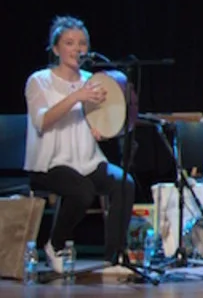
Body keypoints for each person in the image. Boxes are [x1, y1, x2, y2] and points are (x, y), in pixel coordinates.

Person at [24, 16, 136, 272]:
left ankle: (114, 258)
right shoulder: (39, 80)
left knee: (124, 183)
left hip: (86, 159)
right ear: (56, 49)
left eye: (82, 43)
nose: (77, 49)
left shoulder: (92, 80)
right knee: (82, 192)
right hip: (50, 162)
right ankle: (54, 245)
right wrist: (77, 96)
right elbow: (42, 121)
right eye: (69, 43)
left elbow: (101, 120)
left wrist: (102, 131)